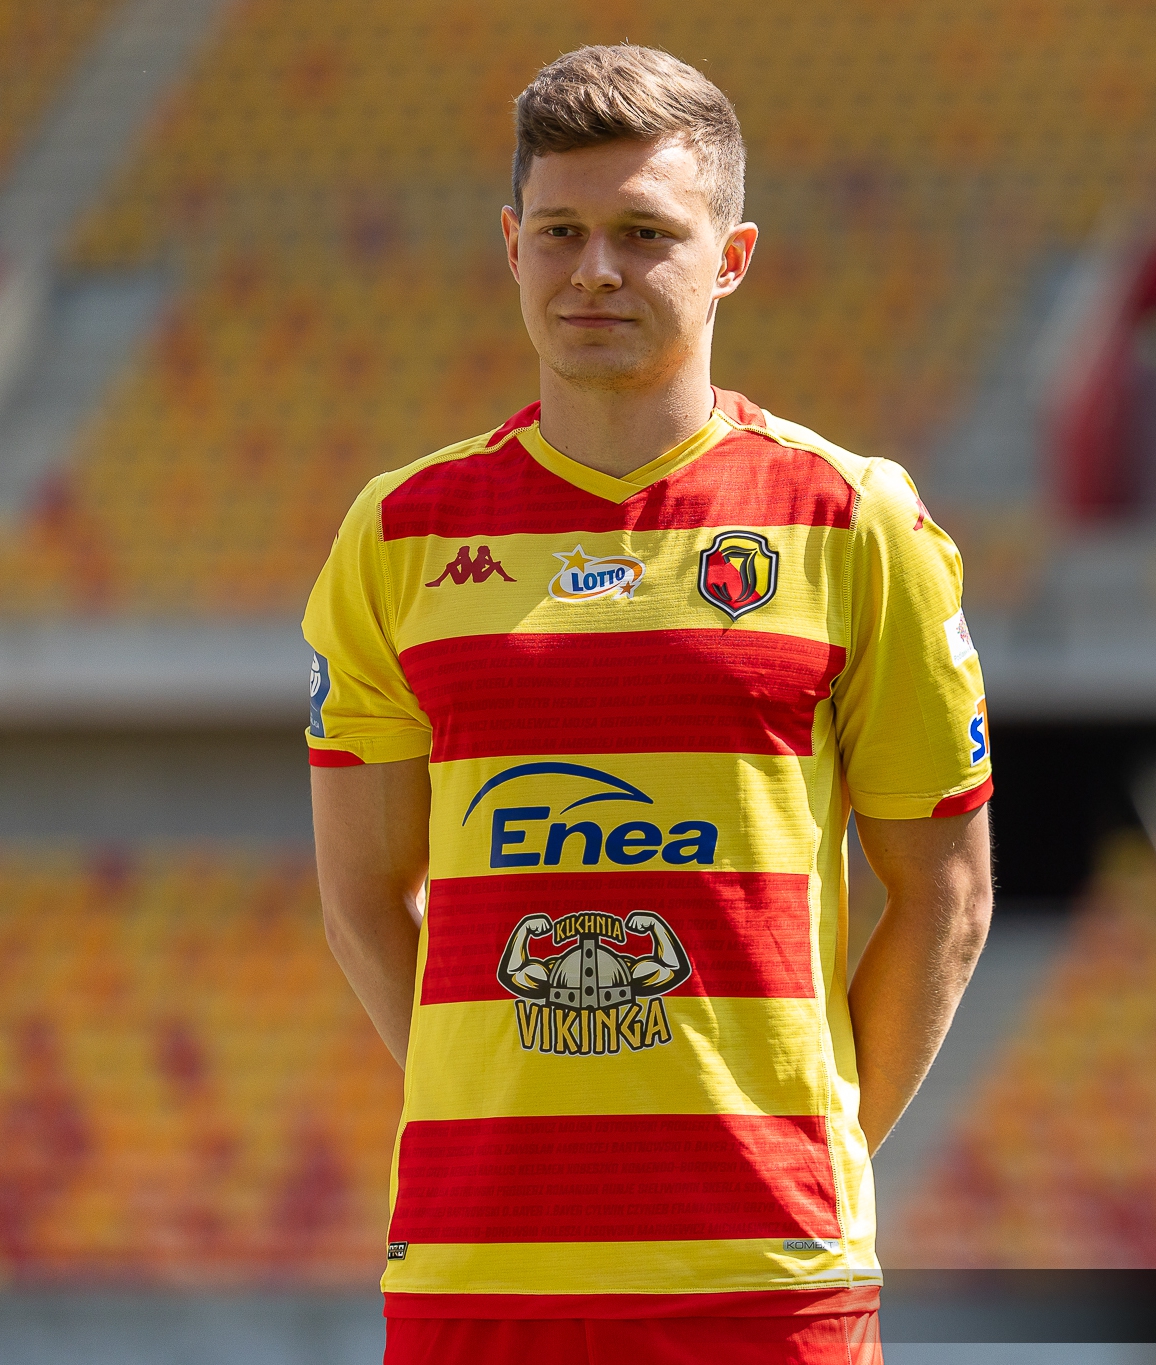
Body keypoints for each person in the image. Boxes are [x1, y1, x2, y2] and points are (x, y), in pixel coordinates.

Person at [303, 43, 994, 1365]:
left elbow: (946, 897)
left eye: (644, 233)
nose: (595, 271)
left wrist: (810, 1149)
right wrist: (496, 1110)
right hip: (475, 1269)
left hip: (765, 1277)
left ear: (731, 257)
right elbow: (363, 897)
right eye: (560, 232)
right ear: (512, 247)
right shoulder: (397, 535)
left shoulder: (854, 520)